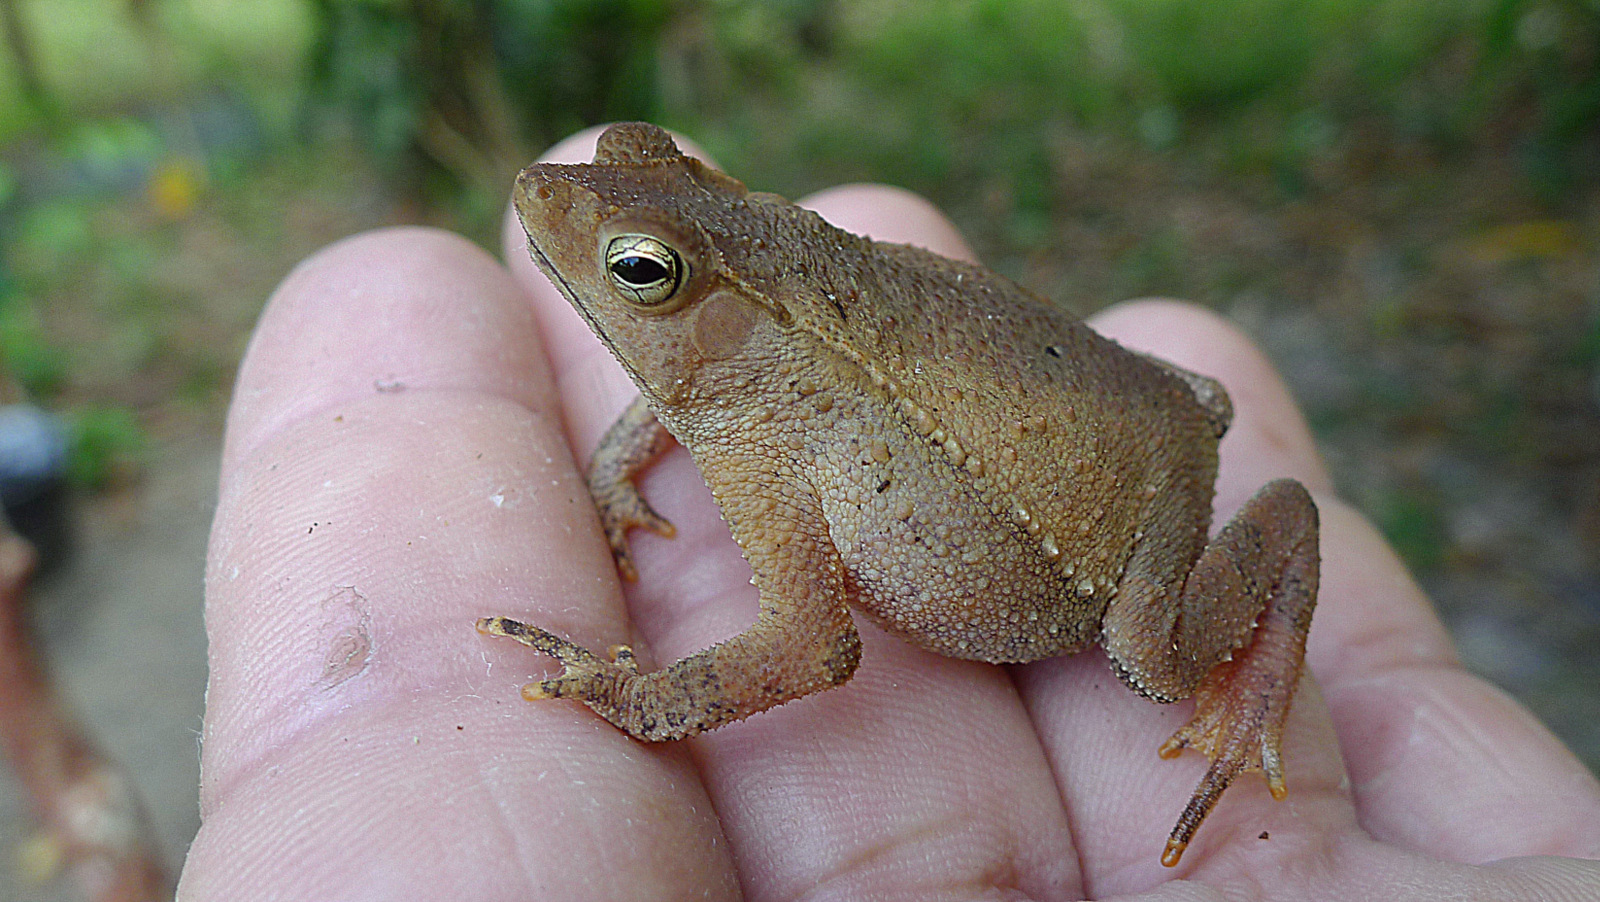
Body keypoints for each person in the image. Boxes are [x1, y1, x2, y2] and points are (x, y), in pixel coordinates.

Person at [179, 127, 1600, 899]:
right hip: (1067, 392)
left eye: (636, 265)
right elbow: (707, 382)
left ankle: (1276, 554)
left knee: (1158, 658)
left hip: (1091, 541)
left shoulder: (760, 406)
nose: (569, 226)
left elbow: (815, 647)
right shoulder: (739, 389)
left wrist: (643, 697)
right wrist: (624, 451)